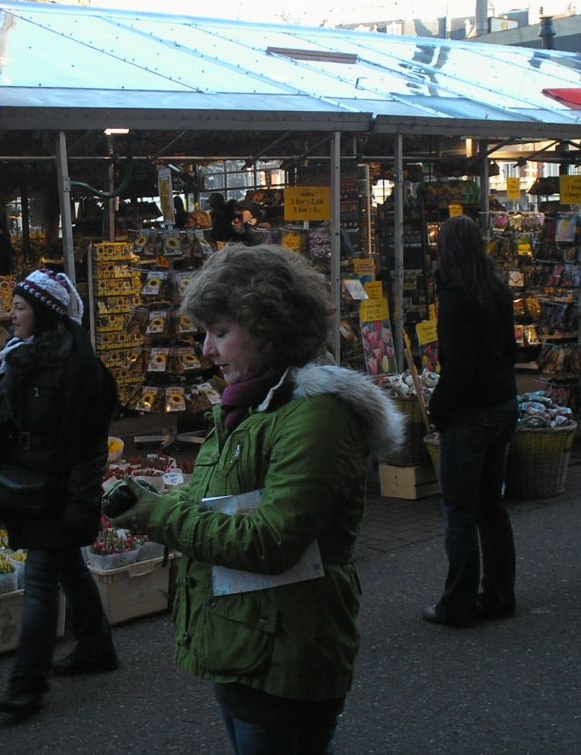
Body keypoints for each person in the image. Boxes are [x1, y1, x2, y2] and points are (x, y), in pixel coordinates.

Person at [110, 244, 404, 753]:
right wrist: (158, 500)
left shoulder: (316, 416)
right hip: (245, 643)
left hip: (285, 652)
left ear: (268, 328)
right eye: (205, 334)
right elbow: (217, 504)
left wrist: (156, 513)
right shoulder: (248, 407)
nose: (206, 351)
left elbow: (272, 541)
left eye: (220, 332)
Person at [0, 268, 119, 718]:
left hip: (58, 488)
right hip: (28, 484)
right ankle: (96, 646)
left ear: (44, 311)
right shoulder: (16, 358)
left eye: (20, 308)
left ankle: (27, 683)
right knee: (69, 567)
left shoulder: (81, 368)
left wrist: (80, 504)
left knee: (41, 579)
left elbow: (89, 446)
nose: (12, 316)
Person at [423, 215, 519, 627]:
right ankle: (499, 594)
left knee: (460, 510)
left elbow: (458, 366)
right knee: (491, 506)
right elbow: (511, 350)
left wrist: (438, 409)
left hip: (471, 412)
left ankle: (457, 603)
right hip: (502, 403)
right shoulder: (496, 288)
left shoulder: (455, 295)